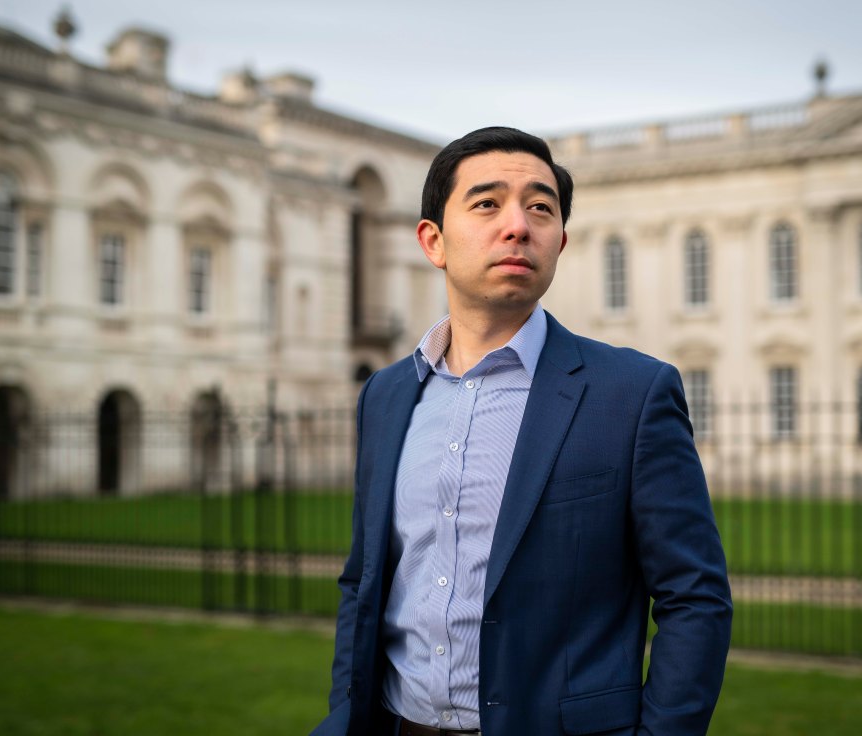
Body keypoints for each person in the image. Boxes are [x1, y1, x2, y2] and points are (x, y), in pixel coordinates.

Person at [309, 127, 732, 736]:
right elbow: (365, 581)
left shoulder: (632, 394)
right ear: (433, 241)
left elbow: (695, 599)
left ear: (560, 241)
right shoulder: (386, 395)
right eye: (486, 204)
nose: (518, 225)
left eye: (540, 207)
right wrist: (343, 716)